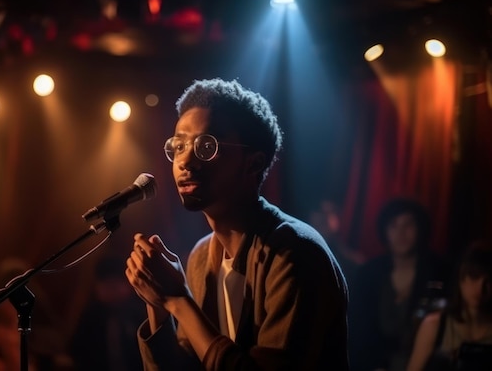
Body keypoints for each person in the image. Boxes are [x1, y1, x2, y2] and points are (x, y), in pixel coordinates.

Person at [124, 78, 350, 370]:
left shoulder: (294, 253)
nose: (185, 161)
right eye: (178, 146)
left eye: (206, 145)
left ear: (253, 163)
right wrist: (156, 300)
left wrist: (178, 300)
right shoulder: (202, 257)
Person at [348, 197, 450, 371]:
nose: (401, 233)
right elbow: (358, 328)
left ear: (420, 229)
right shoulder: (369, 273)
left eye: (408, 225)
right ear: (384, 231)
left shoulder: (438, 271)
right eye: (394, 225)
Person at [406, 239, 492, 371]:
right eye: (474, 276)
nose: (480, 288)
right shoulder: (436, 325)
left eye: (489, 281)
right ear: (461, 278)